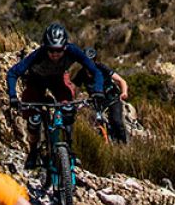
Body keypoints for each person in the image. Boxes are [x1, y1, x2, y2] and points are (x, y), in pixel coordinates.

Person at [6, 23, 105, 168]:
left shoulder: (73, 51)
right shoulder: (38, 54)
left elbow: (96, 71)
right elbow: (13, 73)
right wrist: (13, 96)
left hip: (58, 80)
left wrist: (98, 91)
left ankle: (69, 150)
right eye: (50, 50)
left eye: (58, 50)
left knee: (68, 110)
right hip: (36, 81)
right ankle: (33, 152)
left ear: (65, 47)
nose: (54, 54)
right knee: (33, 120)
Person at [72, 48, 130, 143]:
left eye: (90, 61)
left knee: (116, 121)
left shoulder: (102, 68)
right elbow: (74, 88)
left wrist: (124, 93)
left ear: (94, 60)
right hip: (97, 103)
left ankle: (124, 144)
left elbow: (121, 81)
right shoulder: (81, 73)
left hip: (112, 99)